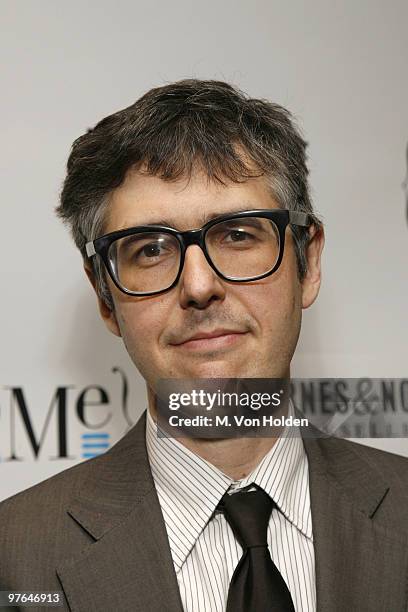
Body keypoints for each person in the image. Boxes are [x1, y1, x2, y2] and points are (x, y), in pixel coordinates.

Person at [0, 79, 407, 612]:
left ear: (308, 264)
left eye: (238, 234)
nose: (198, 287)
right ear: (105, 295)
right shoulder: (15, 559)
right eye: (149, 249)